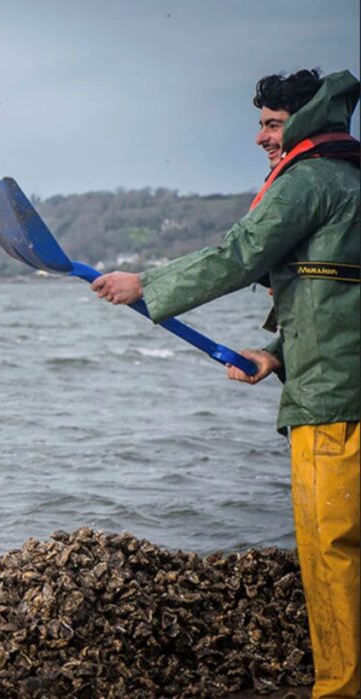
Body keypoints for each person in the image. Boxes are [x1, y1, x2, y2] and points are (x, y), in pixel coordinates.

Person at [91, 69, 359, 698]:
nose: (263, 138)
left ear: (304, 120)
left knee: (332, 550)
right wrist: (273, 355)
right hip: (335, 382)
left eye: (271, 124)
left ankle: (340, 689)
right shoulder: (349, 177)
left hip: (333, 404)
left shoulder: (310, 179)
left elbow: (239, 254)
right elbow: (338, 295)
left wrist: (148, 285)